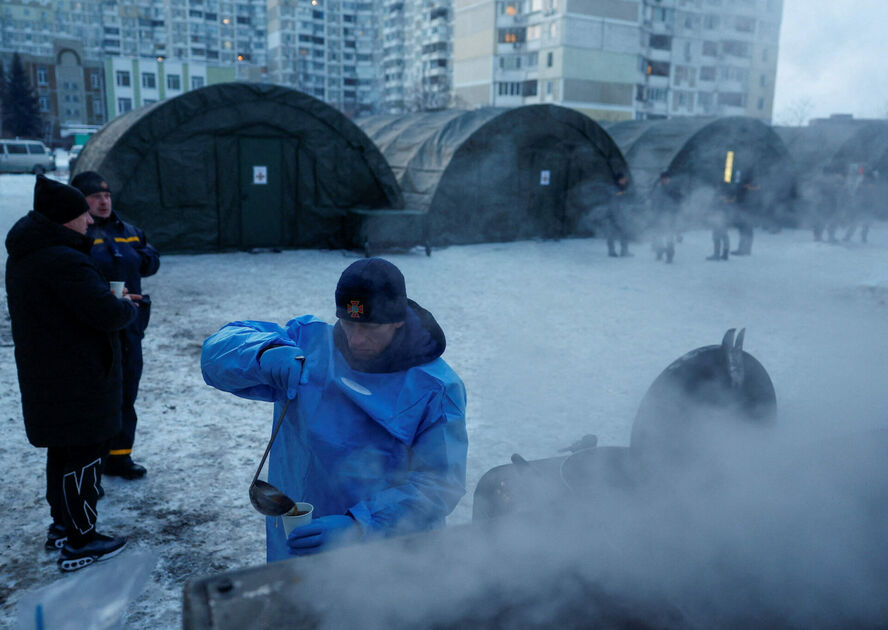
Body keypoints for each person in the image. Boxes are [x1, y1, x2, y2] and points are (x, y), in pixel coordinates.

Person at [201, 257, 468, 561]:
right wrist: (263, 352)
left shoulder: (434, 387)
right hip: (295, 529)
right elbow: (216, 352)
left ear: (397, 320)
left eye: (369, 327)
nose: (355, 339)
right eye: (349, 322)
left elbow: (440, 484)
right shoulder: (309, 345)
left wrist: (359, 525)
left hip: (384, 552)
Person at [5, 175, 138, 571]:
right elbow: (106, 313)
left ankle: (62, 526)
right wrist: (126, 306)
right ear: (65, 219)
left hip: (50, 373)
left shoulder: (31, 252)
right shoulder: (63, 259)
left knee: (62, 453)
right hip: (78, 377)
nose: (89, 222)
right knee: (83, 454)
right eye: (83, 214)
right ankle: (82, 540)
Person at [72, 171, 160, 480]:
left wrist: (139, 255)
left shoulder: (129, 231)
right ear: (81, 201)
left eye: (107, 196)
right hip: (96, 328)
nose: (103, 201)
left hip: (130, 325)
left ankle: (120, 457)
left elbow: (151, 260)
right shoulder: (80, 234)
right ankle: (92, 462)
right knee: (98, 396)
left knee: (127, 391)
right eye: (95, 197)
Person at [649, 171, 682, 263]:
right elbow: (652, 197)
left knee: (669, 235)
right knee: (658, 235)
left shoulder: (674, 187)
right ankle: (659, 252)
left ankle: (670, 255)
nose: (664, 180)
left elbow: (679, 198)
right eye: (663, 178)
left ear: (669, 179)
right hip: (659, 214)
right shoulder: (657, 187)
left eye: (666, 178)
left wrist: (674, 209)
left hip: (670, 214)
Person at [604, 173, 632, 257]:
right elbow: (614, 200)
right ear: (619, 180)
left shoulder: (623, 188)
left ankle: (624, 251)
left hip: (622, 215)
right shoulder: (613, 189)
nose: (625, 180)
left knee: (624, 233)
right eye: (623, 179)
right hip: (612, 215)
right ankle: (611, 251)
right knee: (611, 234)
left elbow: (624, 201)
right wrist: (623, 193)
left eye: (625, 179)